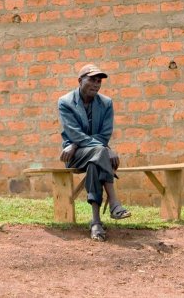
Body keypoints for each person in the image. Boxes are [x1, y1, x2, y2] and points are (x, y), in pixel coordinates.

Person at [58, 63, 131, 242]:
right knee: (99, 152)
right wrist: (97, 147)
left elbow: (105, 134)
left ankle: (96, 222)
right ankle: (114, 201)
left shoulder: (106, 103)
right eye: (92, 79)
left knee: (95, 162)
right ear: (80, 80)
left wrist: (81, 144)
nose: (96, 84)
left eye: (99, 81)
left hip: (93, 155)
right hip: (74, 156)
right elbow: (74, 133)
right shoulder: (65, 102)